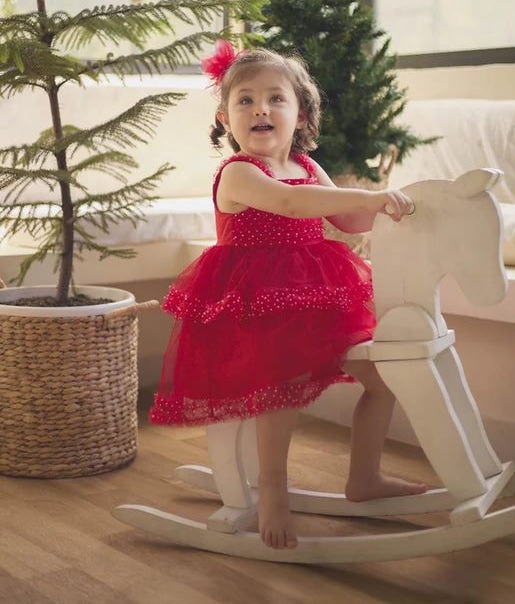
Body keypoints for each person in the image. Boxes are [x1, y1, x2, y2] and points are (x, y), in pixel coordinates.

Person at [150, 42, 426, 551]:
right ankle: (272, 485)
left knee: (383, 379)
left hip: (317, 295)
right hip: (256, 301)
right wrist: (368, 196)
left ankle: (365, 476)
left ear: (300, 114)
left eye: (276, 98)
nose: (261, 108)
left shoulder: (305, 165)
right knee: (284, 382)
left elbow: (349, 219)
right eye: (245, 100)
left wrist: (390, 206)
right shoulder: (239, 172)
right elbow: (291, 203)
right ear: (225, 118)